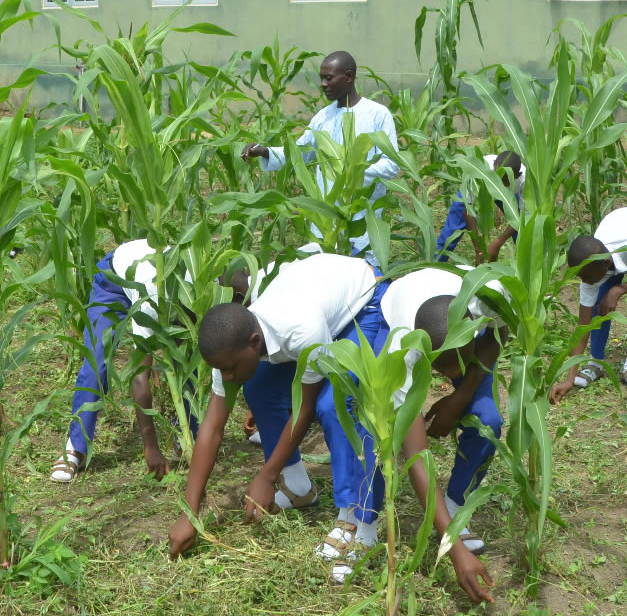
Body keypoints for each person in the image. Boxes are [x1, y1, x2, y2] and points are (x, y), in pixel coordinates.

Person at [167, 253, 387, 576]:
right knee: (255, 387)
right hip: (319, 301)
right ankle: (298, 487)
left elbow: (305, 408)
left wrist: (266, 476)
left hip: (364, 302)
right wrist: (190, 511)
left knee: (335, 405)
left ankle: (359, 522)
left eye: (229, 370)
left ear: (255, 343)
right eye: (221, 371)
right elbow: (211, 428)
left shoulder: (300, 330)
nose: (226, 377)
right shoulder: (231, 348)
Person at [367, 265, 507, 602]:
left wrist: (459, 396)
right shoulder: (403, 348)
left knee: (488, 421)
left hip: (458, 301)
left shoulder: (490, 297)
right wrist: (455, 549)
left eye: (461, 359)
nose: (454, 372)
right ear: (425, 356)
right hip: (400, 307)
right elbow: (417, 456)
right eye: (443, 366)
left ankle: (455, 502)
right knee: (372, 420)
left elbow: (498, 335)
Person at [51, 239, 226, 482]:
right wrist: (151, 446)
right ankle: (75, 447)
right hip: (115, 281)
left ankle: (186, 436)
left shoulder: (208, 289)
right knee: (98, 359)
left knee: (189, 360)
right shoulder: (151, 303)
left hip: (161, 287)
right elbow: (138, 376)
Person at [240, 51, 400, 260]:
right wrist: (263, 151)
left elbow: (391, 165)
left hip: (363, 226)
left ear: (349, 77)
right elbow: (298, 155)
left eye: (329, 78)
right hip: (326, 225)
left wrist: (354, 171)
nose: (323, 84)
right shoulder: (323, 117)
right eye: (321, 78)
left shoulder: (377, 115)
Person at [551, 207, 627, 402]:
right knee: (599, 300)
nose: (585, 282)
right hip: (618, 225)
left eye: (586, 277)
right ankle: (595, 363)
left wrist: (619, 289)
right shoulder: (590, 265)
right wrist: (569, 379)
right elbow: (583, 326)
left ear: (604, 264)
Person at [436, 151, 526, 263]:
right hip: (480, 189)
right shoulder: (478, 169)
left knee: (523, 233)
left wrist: (498, 243)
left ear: (517, 176)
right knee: (451, 231)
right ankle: (434, 266)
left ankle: (526, 269)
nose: (499, 185)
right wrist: (478, 247)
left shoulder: (524, 181)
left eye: (505, 181)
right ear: (494, 166)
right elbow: (467, 208)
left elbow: (521, 217)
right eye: (497, 177)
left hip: (509, 195)